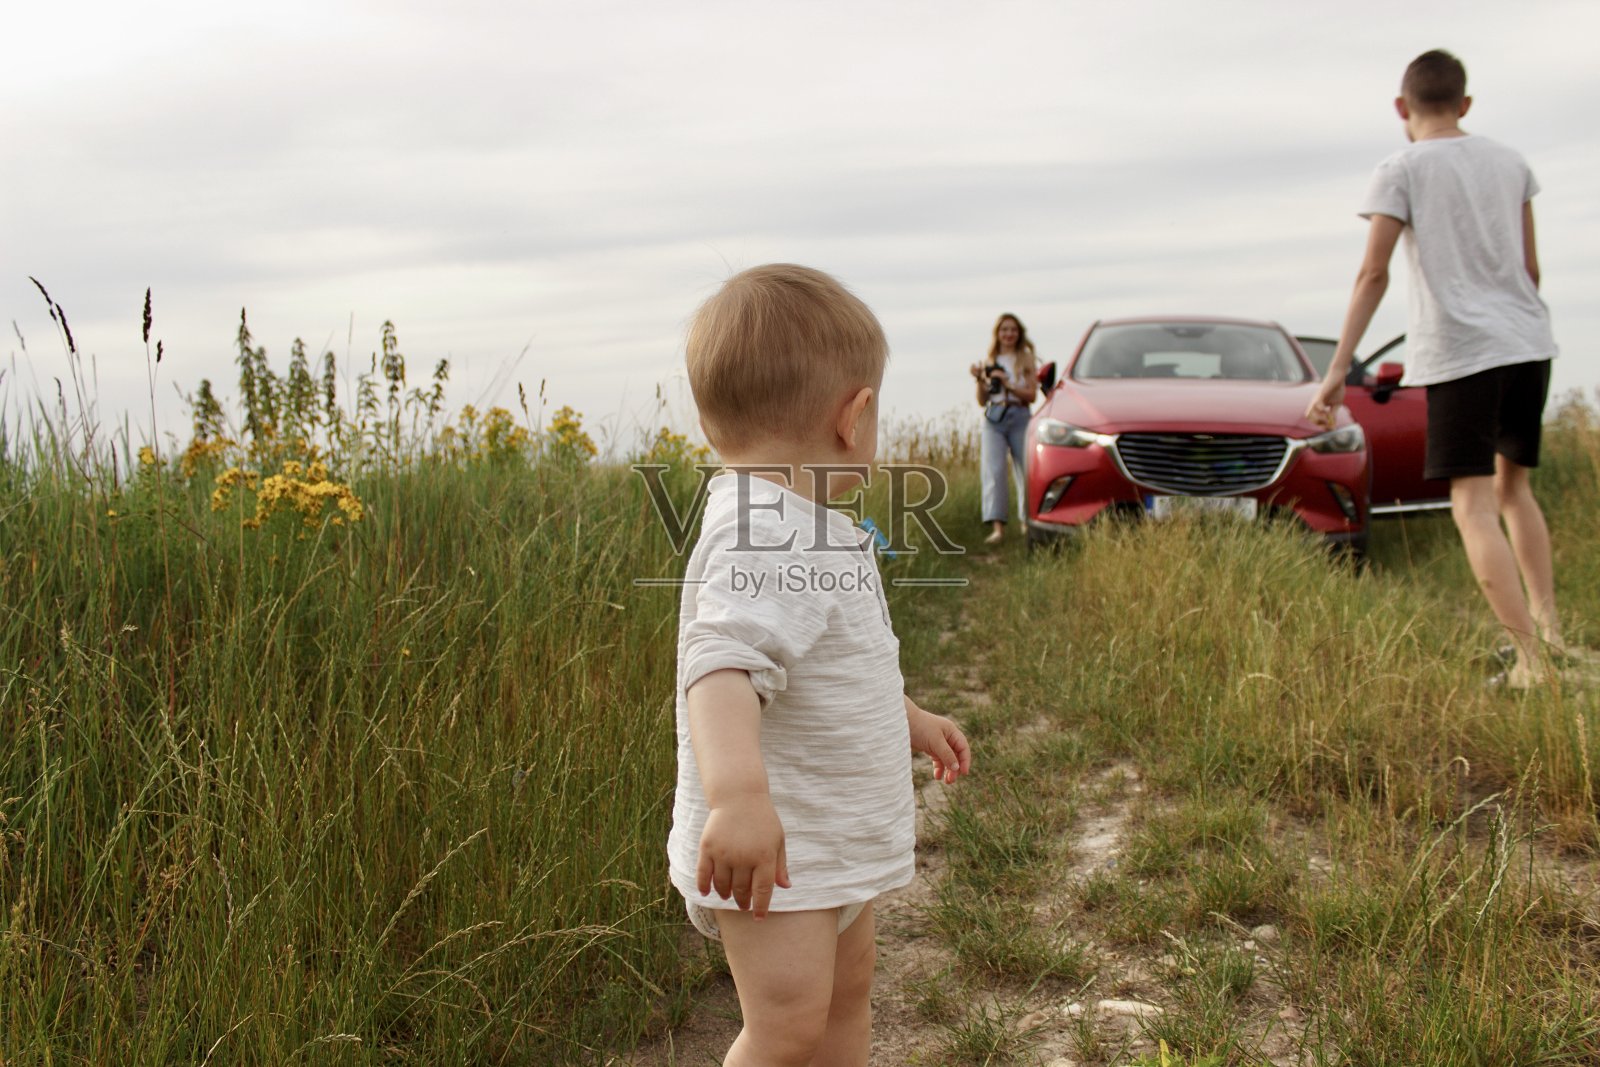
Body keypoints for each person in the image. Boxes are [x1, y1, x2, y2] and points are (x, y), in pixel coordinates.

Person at [671, 263, 972, 1064]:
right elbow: (721, 665)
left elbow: (829, 660)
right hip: (781, 844)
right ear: (856, 416)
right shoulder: (768, 530)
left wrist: (907, 718)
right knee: (787, 1028)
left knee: (844, 1002)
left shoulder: (801, 521)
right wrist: (737, 799)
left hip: (825, 836)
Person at [1306, 49, 1569, 689]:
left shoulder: (1400, 168)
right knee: (1515, 491)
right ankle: (1551, 635)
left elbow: (1374, 271)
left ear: (1402, 108)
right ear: (1465, 104)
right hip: (1529, 343)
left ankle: (1532, 664)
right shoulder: (1511, 163)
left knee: (1471, 505)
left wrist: (1339, 368)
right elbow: (1531, 270)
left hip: (1463, 353)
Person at [969, 313, 1039, 544]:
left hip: (1019, 414)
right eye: (1004, 330)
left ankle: (1026, 522)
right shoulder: (989, 360)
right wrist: (980, 379)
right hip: (994, 417)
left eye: (1013, 330)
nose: (1009, 334)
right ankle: (997, 528)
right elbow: (982, 400)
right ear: (997, 334)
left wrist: (1008, 383)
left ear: (1019, 334)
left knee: (1025, 470)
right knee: (993, 471)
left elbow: (1031, 395)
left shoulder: (1026, 359)